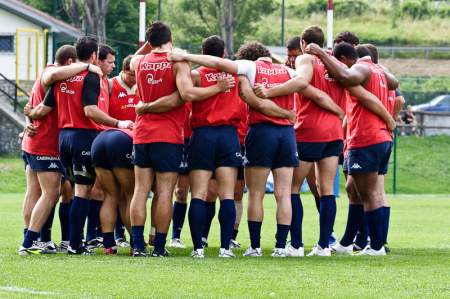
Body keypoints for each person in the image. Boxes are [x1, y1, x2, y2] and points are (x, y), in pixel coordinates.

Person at [169, 40, 338, 257]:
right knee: (280, 193)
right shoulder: (288, 71)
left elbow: (253, 100)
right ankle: (274, 247)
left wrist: (185, 56)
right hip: (279, 135)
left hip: (245, 133)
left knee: (243, 194)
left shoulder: (248, 68)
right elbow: (313, 92)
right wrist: (295, 114)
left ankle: (246, 247)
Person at [129, 21, 235, 257]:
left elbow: (134, 58)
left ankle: (137, 245)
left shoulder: (139, 62)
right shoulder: (178, 62)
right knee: (165, 191)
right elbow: (186, 94)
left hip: (142, 133)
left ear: (149, 42)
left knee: (140, 189)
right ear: (171, 38)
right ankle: (159, 247)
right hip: (167, 134)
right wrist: (217, 87)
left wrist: (150, 44)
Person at [26, 36, 133, 255]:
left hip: (63, 139)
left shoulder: (62, 77)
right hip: (83, 136)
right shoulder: (90, 76)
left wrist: (29, 117)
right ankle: (76, 244)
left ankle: (56, 240)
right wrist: (119, 123)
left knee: (76, 192)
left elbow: (43, 109)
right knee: (84, 191)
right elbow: (90, 110)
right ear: (94, 55)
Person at [305, 39, 399, 256]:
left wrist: (320, 53)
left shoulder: (360, 70)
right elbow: (394, 83)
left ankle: (376, 247)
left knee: (369, 194)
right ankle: (348, 242)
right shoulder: (377, 70)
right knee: (353, 189)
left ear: (344, 60)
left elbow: (349, 80)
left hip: (367, 137)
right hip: (378, 138)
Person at [19, 45, 103, 255]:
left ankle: (41, 239)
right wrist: (87, 66)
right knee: (49, 192)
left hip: (39, 140)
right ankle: (31, 241)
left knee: (44, 191)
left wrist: (28, 120)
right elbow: (50, 84)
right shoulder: (52, 72)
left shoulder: (56, 78)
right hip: (45, 142)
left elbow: (31, 108)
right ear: (69, 62)